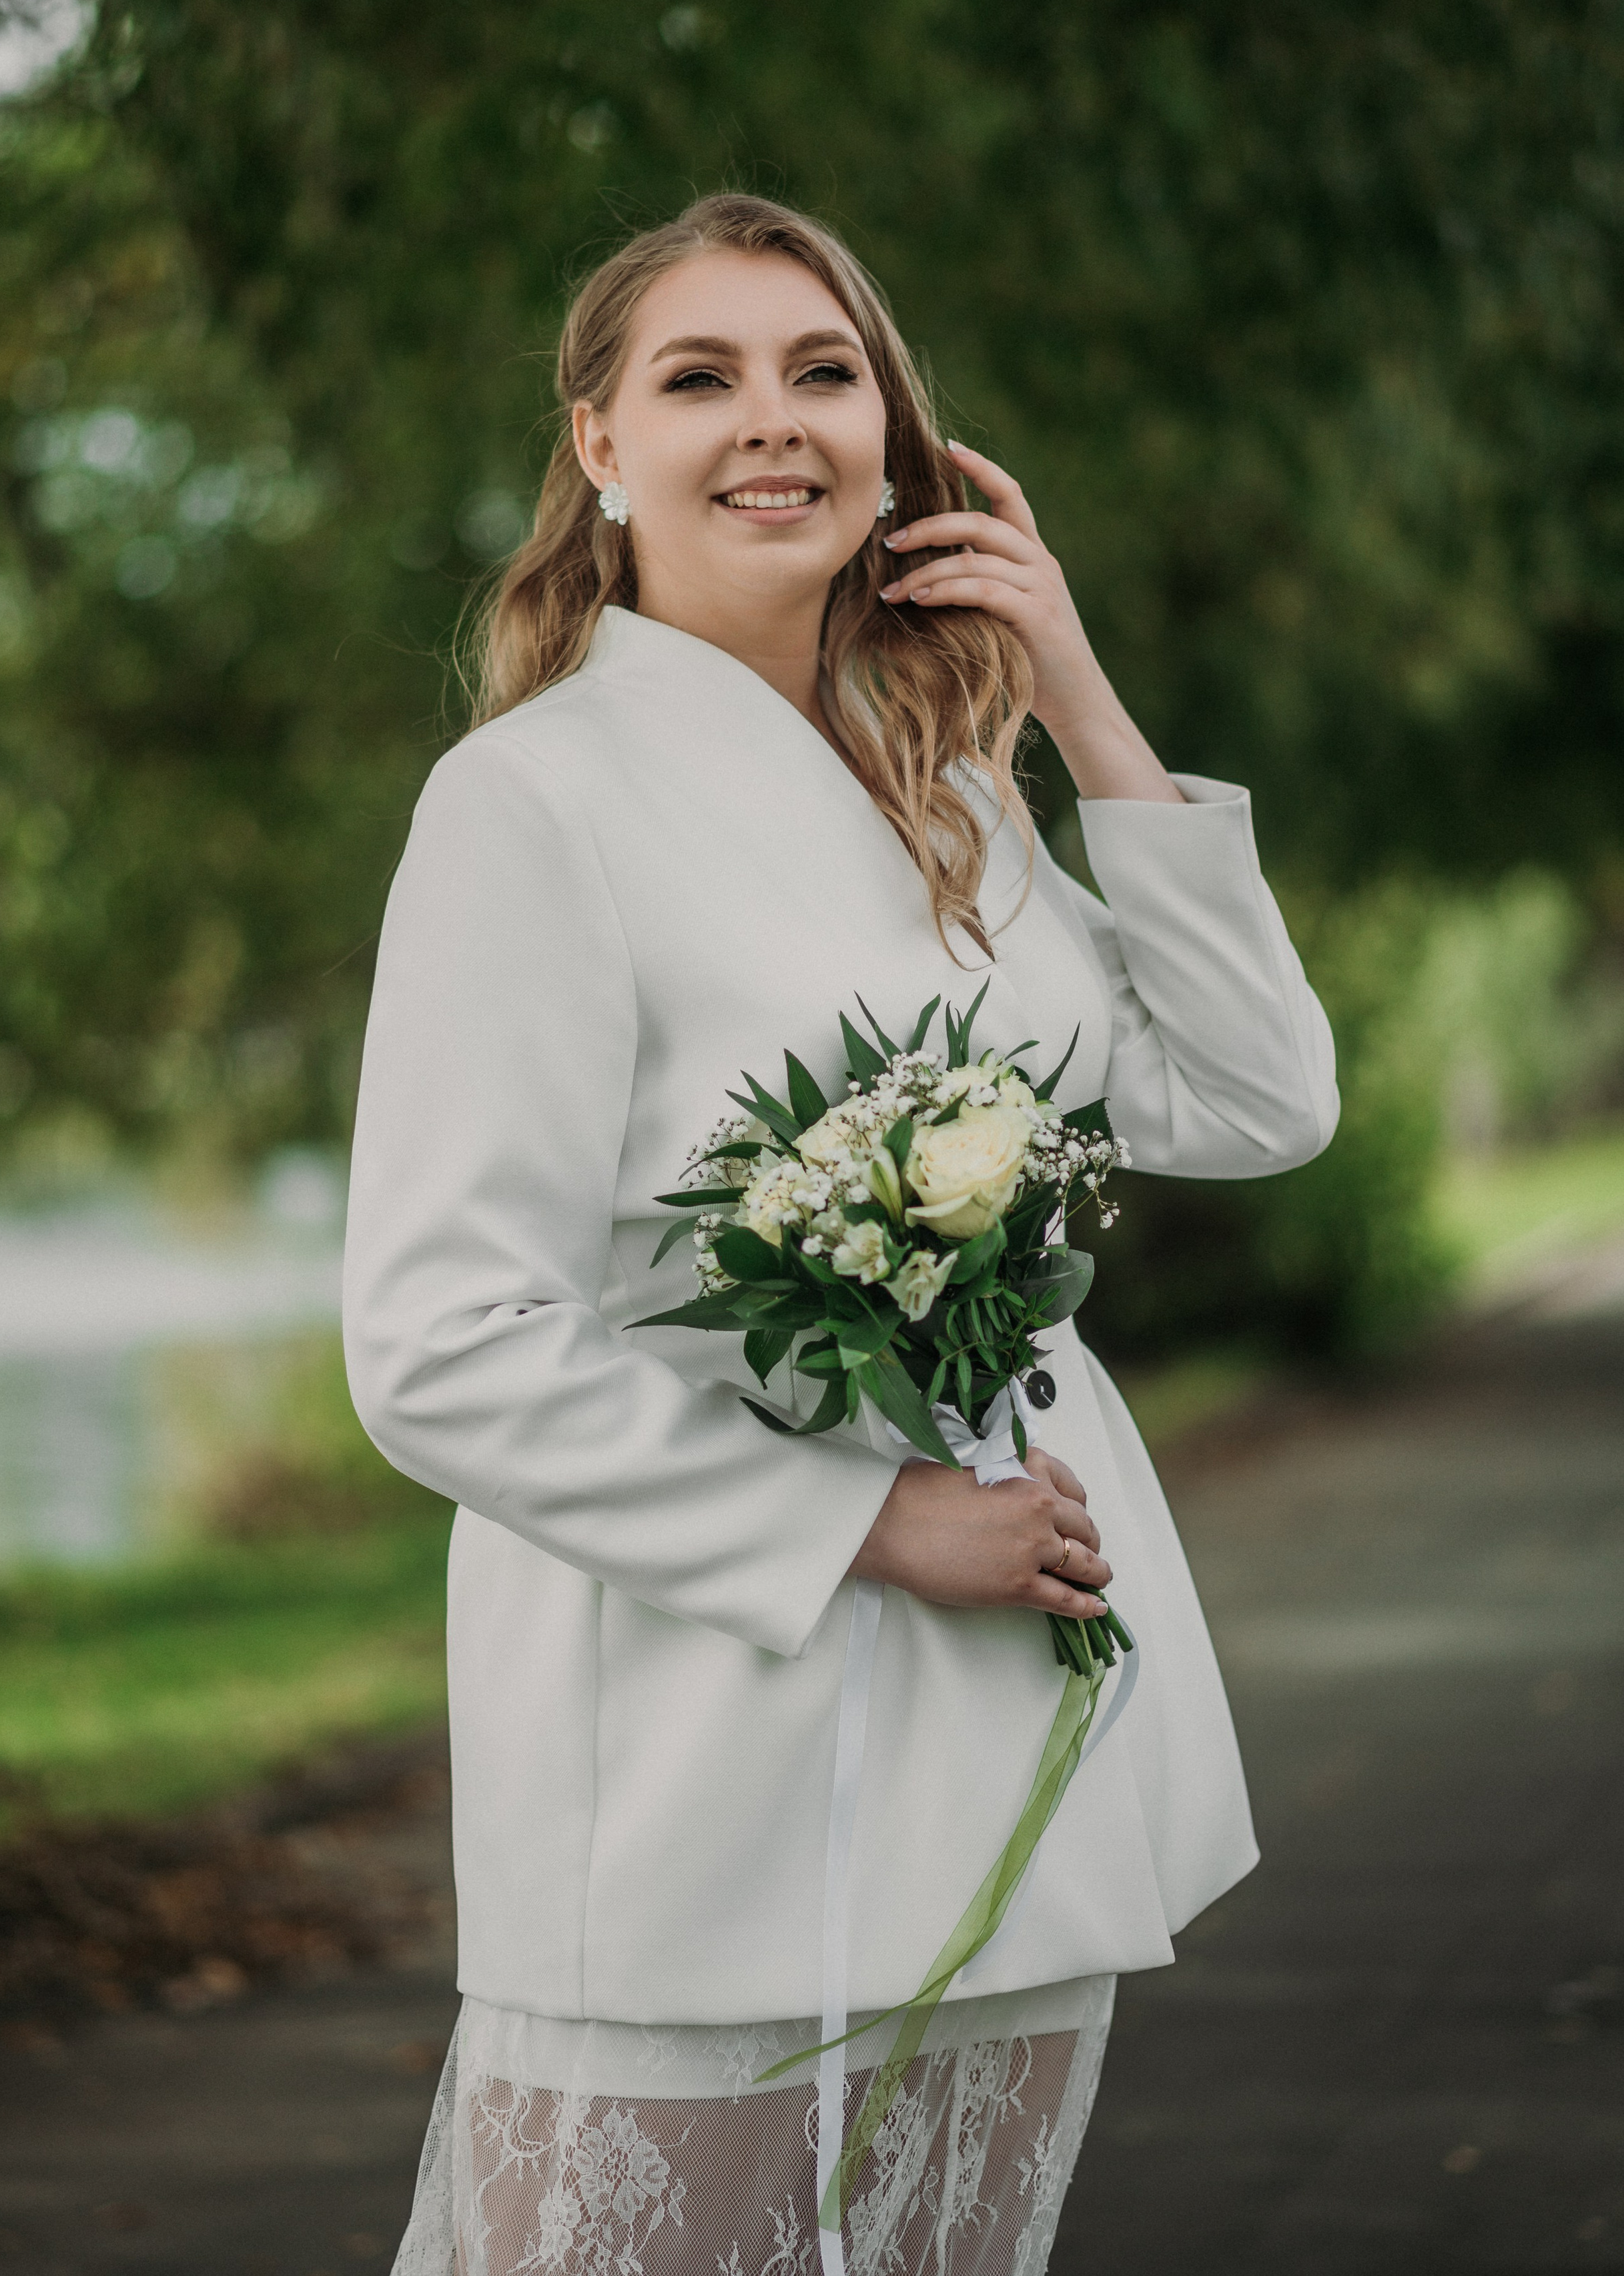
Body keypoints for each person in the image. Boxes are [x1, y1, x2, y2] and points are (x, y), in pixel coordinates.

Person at [343, 192, 1339, 2276]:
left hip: (1023, 1695)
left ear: (896, 436)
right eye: (699, 377)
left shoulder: (950, 783)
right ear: (601, 450)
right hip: (714, 1714)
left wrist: (1068, 691)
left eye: (824, 371)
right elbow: (439, 1333)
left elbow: (1255, 1103)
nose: (772, 421)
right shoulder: (532, 805)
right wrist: (867, 1525)